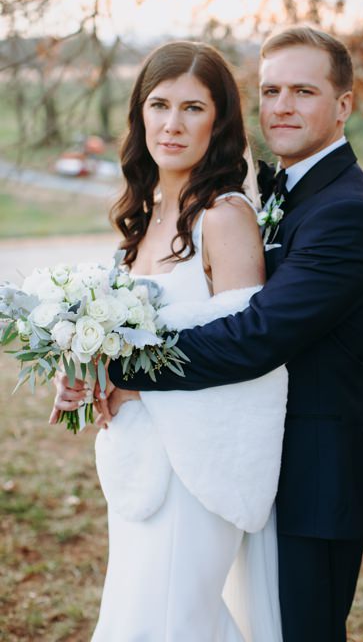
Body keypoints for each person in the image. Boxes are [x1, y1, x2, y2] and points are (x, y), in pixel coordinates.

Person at [60, 26, 363, 641]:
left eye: (304, 91)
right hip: (205, 454)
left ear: (344, 104)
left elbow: (256, 336)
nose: (283, 107)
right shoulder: (272, 192)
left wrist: (124, 372)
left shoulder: (344, 210)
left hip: (317, 468)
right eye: (271, 90)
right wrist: (87, 363)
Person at [49, 41, 289, 640]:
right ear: (140, 114)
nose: (172, 124)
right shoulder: (142, 213)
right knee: (144, 619)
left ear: (220, 121)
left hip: (196, 472)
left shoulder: (226, 218)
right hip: (137, 467)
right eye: (158, 105)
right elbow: (127, 340)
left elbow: (247, 362)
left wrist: (135, 386)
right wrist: (84, 366)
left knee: (169, 625)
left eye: (192, 108)